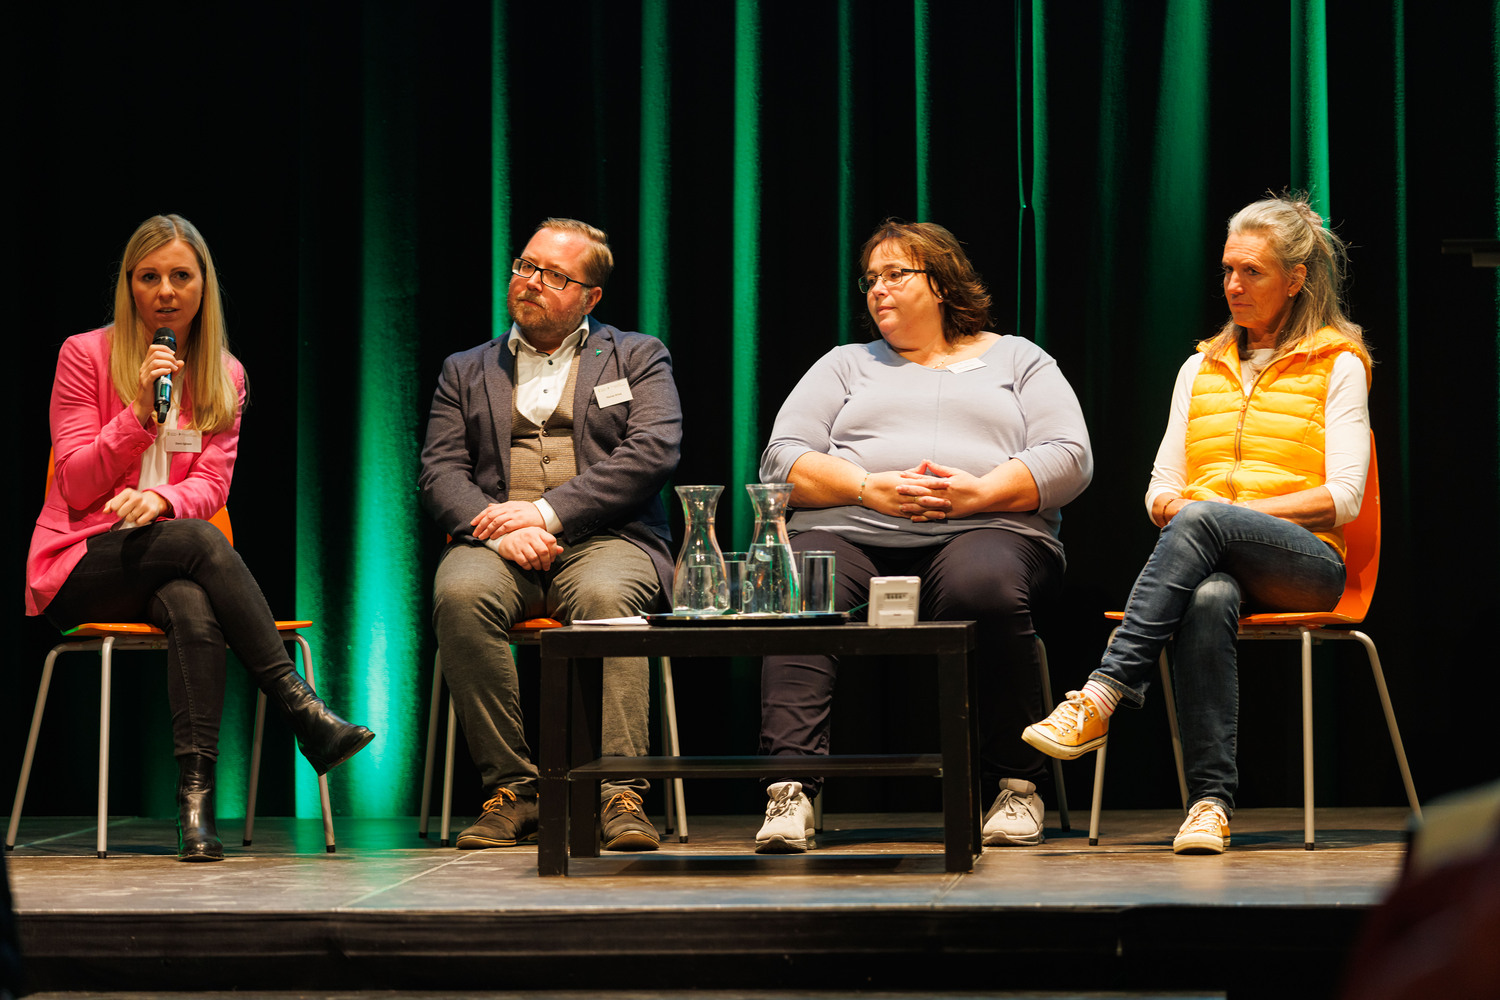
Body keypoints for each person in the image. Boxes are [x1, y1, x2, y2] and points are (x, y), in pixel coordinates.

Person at [1023, 193, 1372, 855]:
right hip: (1212, 558)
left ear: (1295, 280)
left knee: (1206, 518)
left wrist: (1222, 515)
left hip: (1307, 564)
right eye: (1228, 270)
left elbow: (1344, 498)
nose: (1234, 285)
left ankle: (1103, 693)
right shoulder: (1199, 367)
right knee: (1208, 597)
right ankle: (1210, 804)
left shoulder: (1338, 364)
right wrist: (1188, 512)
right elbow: (1161, 489)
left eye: (1252, 272)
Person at [25, 214, 375, 862]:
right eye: (149, 277)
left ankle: (196, 812)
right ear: (129, 285)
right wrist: (138, 412)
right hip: (80, 562)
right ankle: (301, 710)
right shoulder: (84, 355)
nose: (165, 291)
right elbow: (74, 483)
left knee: (191, 601)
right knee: (197, 542)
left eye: (180, 276)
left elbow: (212, 483)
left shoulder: (226, 374)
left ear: (203, 285)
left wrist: (160, 499)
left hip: (165, 560)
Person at [754, 220, 1093, 853]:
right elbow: (781, 460)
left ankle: (1016, 787)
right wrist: (866, 487)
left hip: (988, 529)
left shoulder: (1018, 359)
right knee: (801, 585)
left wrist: (980, 493)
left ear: (940, 283)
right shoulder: (844, 364)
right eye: (870, 280)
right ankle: (789, 789)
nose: (877, 290)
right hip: (852, 529)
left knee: (981, 586)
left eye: (895, 275)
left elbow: (1069, 456)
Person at [419, 218, 681, 852]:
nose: (531, 281)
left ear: (591, 297)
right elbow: (440, 473)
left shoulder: (636, 356)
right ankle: (514, 790)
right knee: (460, 595)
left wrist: (542, 514)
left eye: (554, 275)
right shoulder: (466, 368)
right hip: (496, 546)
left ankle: (620, 792)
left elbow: (652, 451)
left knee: (609, 602)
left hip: (610, 539)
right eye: (526, 266)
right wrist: (498, 532)